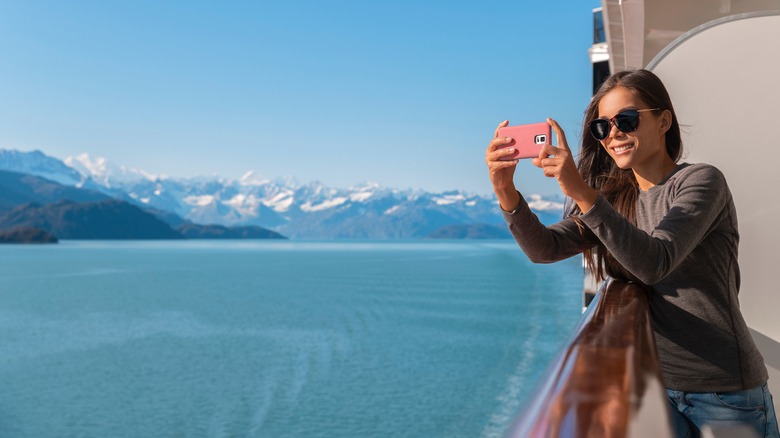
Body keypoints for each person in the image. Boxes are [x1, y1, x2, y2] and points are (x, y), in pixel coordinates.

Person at [484, 69, 779, 438]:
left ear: (663, 121)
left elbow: (655, 262)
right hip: (654, 388)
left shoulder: (701, 181)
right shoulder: (614, 200)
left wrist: (580, 190)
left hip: (724, 393)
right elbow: (546, 248)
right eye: (602, 127)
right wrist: (505, 192)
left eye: (626, 119)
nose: (613, 134)